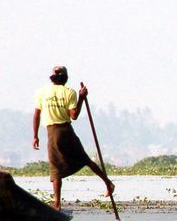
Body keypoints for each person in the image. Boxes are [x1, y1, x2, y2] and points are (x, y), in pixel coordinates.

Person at [32, 65, 115, 210]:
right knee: (85, 160)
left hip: (54, 132)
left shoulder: (42, 92)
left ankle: (57, 204)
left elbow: (37, 115)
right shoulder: (69, 92)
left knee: (55, 169)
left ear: (52, 78)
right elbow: (74, 115)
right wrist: (82, 97)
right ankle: (108, 183)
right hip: (64, 131)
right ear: (65, 78)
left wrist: (35, 136)